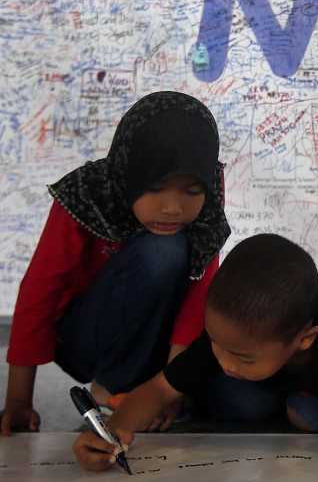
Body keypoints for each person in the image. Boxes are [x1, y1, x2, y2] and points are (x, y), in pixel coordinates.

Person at [72, 233, 318, 473]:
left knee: (307, 416)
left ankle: (303, 395)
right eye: (216, 344)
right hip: (288, 360)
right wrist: (112, 432)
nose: (226, 362)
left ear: (305, 339)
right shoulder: (235, 332)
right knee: (244, 404)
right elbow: (158, 390)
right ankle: (278, 386)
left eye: (243, 358)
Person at [2, 91, 230, 436]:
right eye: (156, 187)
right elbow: (41, 289)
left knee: (243, 402)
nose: (172, 207)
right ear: (130, 172)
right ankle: (111, 383)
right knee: (163, 252)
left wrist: (171, 390)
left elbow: (198, 295)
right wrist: (18, 399)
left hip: (155, 340)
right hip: (85, 339)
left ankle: (146, 385)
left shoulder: (207, 198)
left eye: (190, 190)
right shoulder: (87, 193)